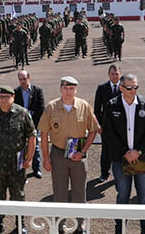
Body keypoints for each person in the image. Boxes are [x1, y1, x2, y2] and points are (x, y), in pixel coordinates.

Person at [38, 76, 99, 234]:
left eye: (71, 88)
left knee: (79, 193)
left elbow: (94, 130)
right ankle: (59, 227)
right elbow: (44, 134)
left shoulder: (84, 106)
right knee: (60, 193)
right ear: (60, 89)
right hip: (58, 155)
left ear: (76, 90)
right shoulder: (51, 107)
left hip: (78, 157)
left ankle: (80, 227)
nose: (68, 91)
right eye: (65, 88)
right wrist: (45, 158)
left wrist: (83, 151)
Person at [102, 74, 145, 234]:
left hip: (141, 158)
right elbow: (108, 132)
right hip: (121, 159)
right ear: (121, 88)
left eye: (136, 87)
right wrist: (126, 152)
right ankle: (120, 229)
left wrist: (137, 151)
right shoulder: (112, 105)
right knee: (123, 196)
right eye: (129, 87)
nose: (133, 90)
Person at [0, 86, 36, 234]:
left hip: (17, 165)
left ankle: (20, 224)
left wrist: (29, 158)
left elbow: (32, 136)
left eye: (6, 97)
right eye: (0, 96)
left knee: (18, 194)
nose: (3, 99)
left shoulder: (22, 113)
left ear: (13, 97)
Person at [14, 70, 45, 178]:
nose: (22, 81)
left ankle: (37, 169)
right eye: (20, 79)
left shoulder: (37, 91)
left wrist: (32, 122)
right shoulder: (15, 92)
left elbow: (41, 108)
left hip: (34, 124)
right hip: (20, 125)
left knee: (35, 147)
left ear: (29, 78)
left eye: (24, 79)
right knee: (20, 148)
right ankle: (21, 171)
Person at [93, 64, 122, 183]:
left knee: (121, 150)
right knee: (106, 151)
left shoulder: (125, 87)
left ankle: (120, 174)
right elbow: (97, 109)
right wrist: (98, 125)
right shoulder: (102, 88)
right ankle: (104, 173)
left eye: (116, 74)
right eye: (112, 74)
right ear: (108, 75)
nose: (114, 76)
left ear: (120, 74)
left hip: (122, 126)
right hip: (107, 126)